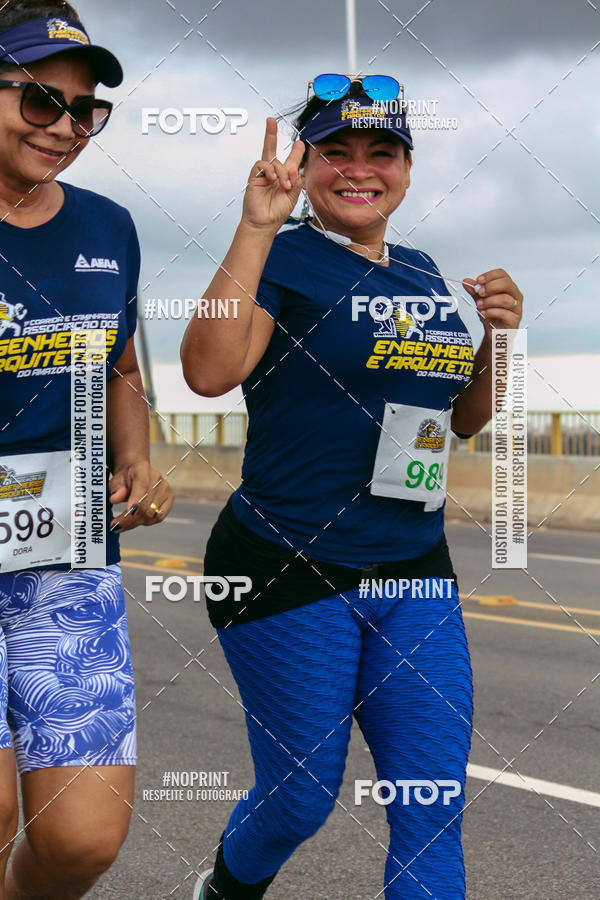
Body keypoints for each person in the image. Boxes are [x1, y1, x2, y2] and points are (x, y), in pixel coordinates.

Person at [182, 74, 523, 900]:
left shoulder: (421, 268)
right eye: (336, 152)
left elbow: (463, 419)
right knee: (301, 799)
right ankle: (224, 890)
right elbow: (207, 371)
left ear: (406, 167)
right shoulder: (283, 255)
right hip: (286, 564)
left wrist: (499, 339)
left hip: (413, 565)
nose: (360, 169)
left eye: (383, 152)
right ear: (305, 164)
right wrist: (254, 227)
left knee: (431, 805)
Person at [0, 2, 173, 897]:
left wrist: (136, 460)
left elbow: (118, 363)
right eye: (38, 101)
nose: (65, 127)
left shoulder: (109, 229)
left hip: (63, 554)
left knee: (82, 839)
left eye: (84, 109)